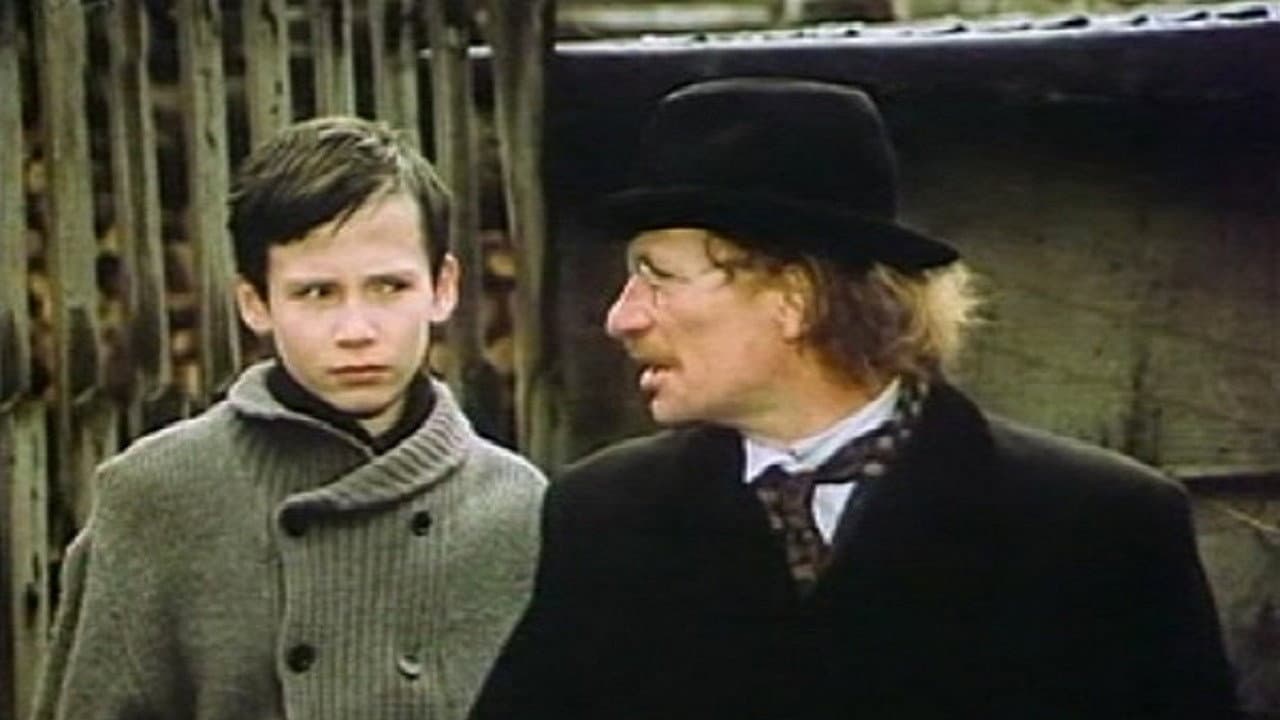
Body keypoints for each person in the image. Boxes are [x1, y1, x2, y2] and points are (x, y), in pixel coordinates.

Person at [471, 77, 1237, 719]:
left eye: (659, 277)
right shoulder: (605, 517)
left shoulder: (1100, 527)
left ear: (794, 298)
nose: (621, 317)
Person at [33, 117, 546, 720]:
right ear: (255, 303)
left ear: (443, 287)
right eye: (316, 293)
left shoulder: (518, 508)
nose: (357, 330)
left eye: (389, 287)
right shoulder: (156, 496)